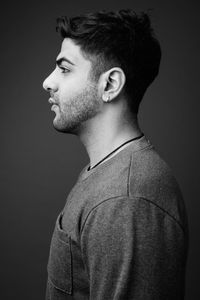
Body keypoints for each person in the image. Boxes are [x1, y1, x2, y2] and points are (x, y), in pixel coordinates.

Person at [43, 9, 189, 300]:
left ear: (109, 85)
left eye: (65, 68)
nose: (48, 81)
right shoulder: (109, 174)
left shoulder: (126, 199)